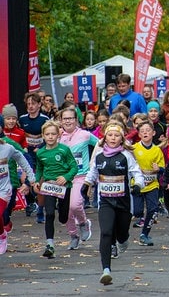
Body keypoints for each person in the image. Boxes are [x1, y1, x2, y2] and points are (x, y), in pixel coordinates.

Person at [83, 120, 145, 285]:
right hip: (105, 201)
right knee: (106, 232)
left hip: (124, 202)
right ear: (104, 137)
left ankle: (123, 240)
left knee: (121, 233)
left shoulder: (125, 156)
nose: (112, 137)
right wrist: (86, 185)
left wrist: (138, 185)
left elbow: (137, 173)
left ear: (121, 138)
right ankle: (106, 270)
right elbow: (92, 172)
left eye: (116, 135)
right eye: (110, 134)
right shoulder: (99, 155)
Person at [33, 121, 79, 258]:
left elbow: (74, 167)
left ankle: (65, 220)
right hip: (49, 186)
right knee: (50, 214)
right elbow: (40, 168)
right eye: (47, 134)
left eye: (53, 134)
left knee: (63, 218)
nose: (50, 137)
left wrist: (66, 177)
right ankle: (50, 244)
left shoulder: (64, 150)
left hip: (64, 186)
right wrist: (37, 181)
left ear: (58, 135)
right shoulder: (40, 152)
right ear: (43, 136)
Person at [59, 108, 97, 250]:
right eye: (65, 118)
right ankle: (73, 236)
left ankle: (83, 223)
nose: (68, 121)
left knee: (74, 205)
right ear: (61, 121)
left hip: (81, 176)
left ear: (76, 120)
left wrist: (94, 162)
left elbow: (100, 144)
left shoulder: (85, 135)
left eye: (70, 118)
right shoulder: (58, 137)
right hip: (63, 179)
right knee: (65, 211)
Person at [0, 131, 36, 254]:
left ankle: (2, 237)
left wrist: (30, 176)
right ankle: (2, 233)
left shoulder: (7, 148)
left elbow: (21, 158)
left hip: (3, 190)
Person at [132, 120, 165, 246]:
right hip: (138, 185)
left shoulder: (157, 150)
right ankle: (139, 218)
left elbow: (162, 167)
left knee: (153, 209)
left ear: (154, 133)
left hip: (152, 184)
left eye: (148, 130)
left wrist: (159, 169)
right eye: (142, 131)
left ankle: (144, 234)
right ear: (139, 135)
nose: (145, 132)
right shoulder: (134, 148)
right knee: (137, 212)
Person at [19, 92, 50, 222]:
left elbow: (49, 136)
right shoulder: (22, 119)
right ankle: (31, 202)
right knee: (24, 178)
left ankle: (41, 210)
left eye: (33, 104)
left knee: (40, 183)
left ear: (39, 104)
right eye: (28, 104)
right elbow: (19, 136)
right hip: (27, 153)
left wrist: (41, 146)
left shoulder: (44, 119)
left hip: (41, 153)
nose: (31, 106)